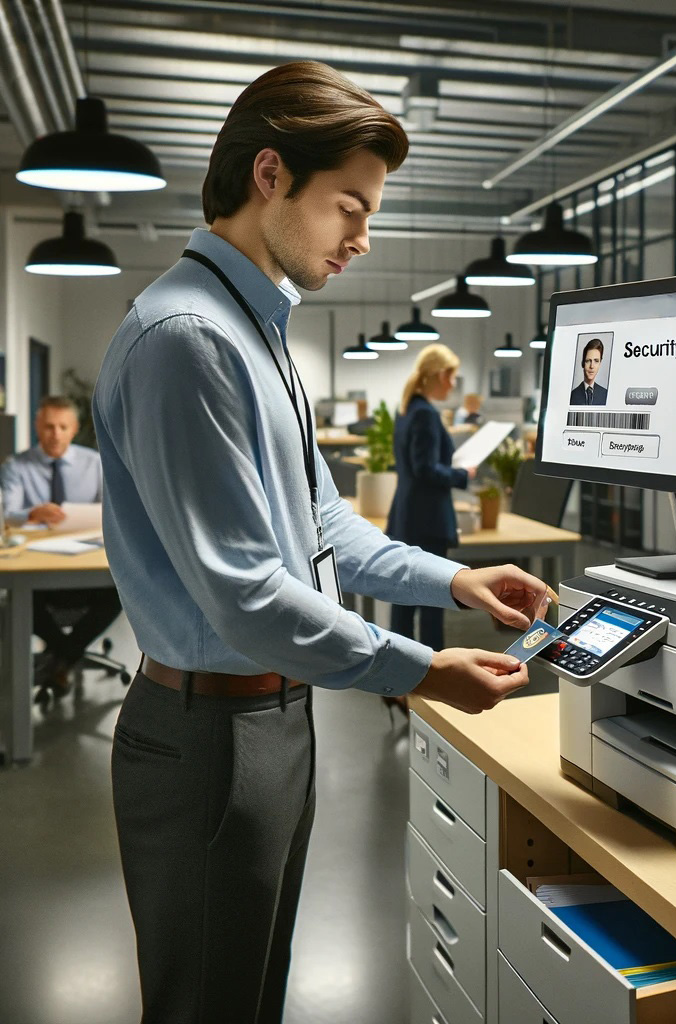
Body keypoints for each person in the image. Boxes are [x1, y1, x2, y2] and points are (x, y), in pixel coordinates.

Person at [91, 61, 547, 1024]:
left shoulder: (257, 330)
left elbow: (324, 523)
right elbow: (250, 597)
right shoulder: (188, 338)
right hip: (209, 734)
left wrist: (458, 581)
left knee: (248, 996)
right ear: (270, 176)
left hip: (273, 718)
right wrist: (422, 671)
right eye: (349, 205)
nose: (362, 237)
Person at [0, 395, 122, 699]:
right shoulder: (17, 466)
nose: (55, 434)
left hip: (85, 555)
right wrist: (30, 514)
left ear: (73, 429)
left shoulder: (95, 463)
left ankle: (62, 656)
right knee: (20, 599)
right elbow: (6, 514)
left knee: (118, 589)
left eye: (62, 427)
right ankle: (68, 657)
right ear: (37, 428)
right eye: (48, 427)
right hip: (36, 565)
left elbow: (113, 510)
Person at [387, 344, 477, 651]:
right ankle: (436, 668)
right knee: (433, 598)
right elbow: (424, 469)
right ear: (439, 375)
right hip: (427, 518)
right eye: (451, 377)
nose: (453, 384)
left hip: (407, 514)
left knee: (404, 597)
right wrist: (463, 475)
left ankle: (401, 668)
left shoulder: (407, 409)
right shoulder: (425, 414)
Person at [569, 338, 608, 406]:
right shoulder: (572, 395)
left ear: (600, 363)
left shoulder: (605, 394)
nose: (592, 366)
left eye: (596, 361)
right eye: (588, 361)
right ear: (583, 363)